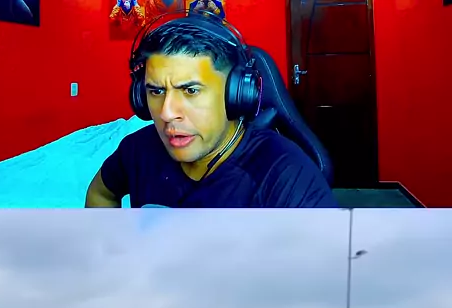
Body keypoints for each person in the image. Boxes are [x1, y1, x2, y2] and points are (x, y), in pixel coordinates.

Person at [85, 15, 337, 209]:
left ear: (236, 94)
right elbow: (101, 193)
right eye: (157, 91)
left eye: (191, 91)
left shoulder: (286, 176)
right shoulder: (136, 150)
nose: (167, 113)